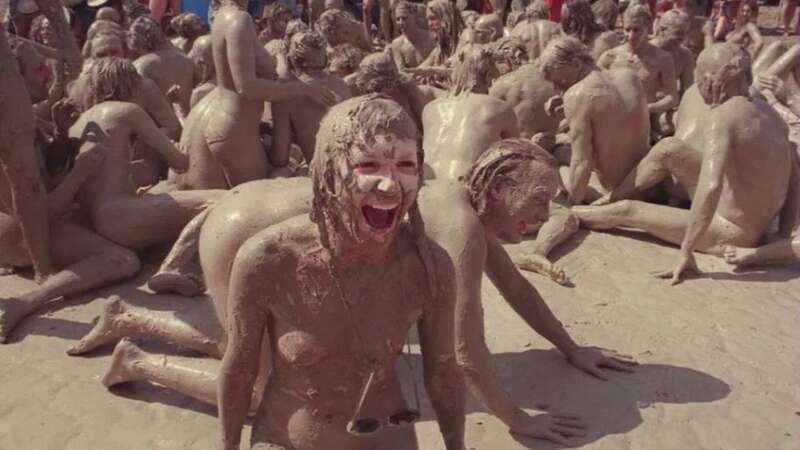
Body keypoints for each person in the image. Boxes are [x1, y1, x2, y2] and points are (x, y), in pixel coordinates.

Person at [73, 95, 468, 450]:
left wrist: (456, 446)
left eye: (405, 165)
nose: (390, 183)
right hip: (286, 439)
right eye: (368, 165)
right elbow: (240, 368)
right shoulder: (270, 258)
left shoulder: (428, 267)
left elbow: (444, 370)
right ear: (328, 172)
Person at [576, 43, 799, 285]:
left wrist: (687, 250)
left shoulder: (724, 116)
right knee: (669, 148)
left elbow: (710, 187)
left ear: (708, 80)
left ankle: (571, 213)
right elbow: (794, 180)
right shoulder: (771, 114)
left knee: (628, 211)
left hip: (732, 231)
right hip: (750, 217)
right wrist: (781, 234)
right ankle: (612, 196)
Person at [167, 0, 334, 190]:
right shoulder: (239, 19)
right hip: (237, 129)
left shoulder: (222, 15)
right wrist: (303, 88)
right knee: (259, 196)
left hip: (230, 123)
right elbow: (247, 87)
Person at [540, 37, 650, 205]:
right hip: (647, 182)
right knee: (563, 142)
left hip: (614, 191)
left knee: (552, 164)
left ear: (576, 64)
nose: (557, 89)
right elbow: (614, 118)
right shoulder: (629, 76)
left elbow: (582, 162)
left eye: (559, 81)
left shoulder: (577, 95)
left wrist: (572, 205)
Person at [421, 46, 517, 181]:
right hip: (462, 188)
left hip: (425, 184)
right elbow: (517, 156)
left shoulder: (429, 108)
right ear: (489, 76)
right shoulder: (499, 108)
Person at [270, 31, 351, 170]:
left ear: (290, 60)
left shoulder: (286, 97)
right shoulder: (342, 86)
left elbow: (279, 158)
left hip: (326, 171)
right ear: (325, 59)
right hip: (353, 163)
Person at [598, 5, 679, 140]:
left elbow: (672, 97)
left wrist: (647, 108)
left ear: (648, 27)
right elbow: (592, 85)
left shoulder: (662, 58)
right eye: (627, 29)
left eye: (637, 30)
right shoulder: (611, 56)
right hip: (614, 118)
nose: (631, 36)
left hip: (645, 119)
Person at [127, 16, 195, 116]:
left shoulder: (139, 67)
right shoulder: (185, 58)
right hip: (191, 116)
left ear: (135, 40)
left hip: (163, 124)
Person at [389, 1, 435, 71]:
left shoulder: (431, 37)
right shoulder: (397, 44)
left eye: (404, 18)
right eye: (398, 19)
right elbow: (401, 72)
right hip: (411, 80)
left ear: (414, 16)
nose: (401, 23)